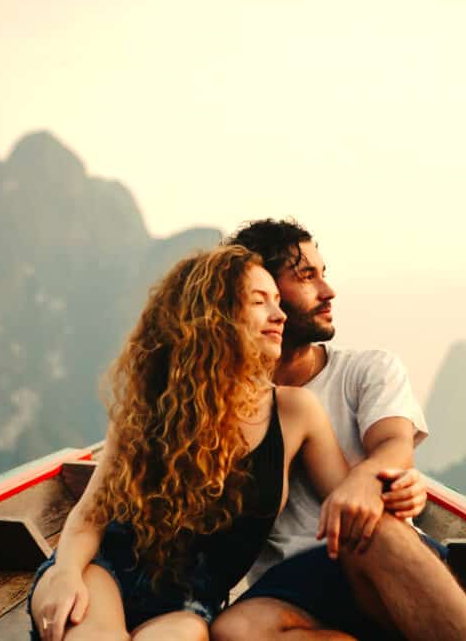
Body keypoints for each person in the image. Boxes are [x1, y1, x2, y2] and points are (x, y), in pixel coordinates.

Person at [28, 246, 353, 641]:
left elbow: (350, 501)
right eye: (258, 301)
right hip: (98, 574)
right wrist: (64, 574)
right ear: (216, 316)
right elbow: (91, 516)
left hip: (188, 610)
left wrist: (381, 475)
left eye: (278, 302)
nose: (280, 314)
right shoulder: (149, 406)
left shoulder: (294, 412)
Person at [212, 220, 466, 641]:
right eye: (306, 276)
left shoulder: (367, 370)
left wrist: (364, 481)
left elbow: (394, 444)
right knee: (235, 631)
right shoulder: (222, 399)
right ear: (259, 295)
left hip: (379, 559)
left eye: (323, 274)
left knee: (369, 525)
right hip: (290, 588)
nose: (328, 291)